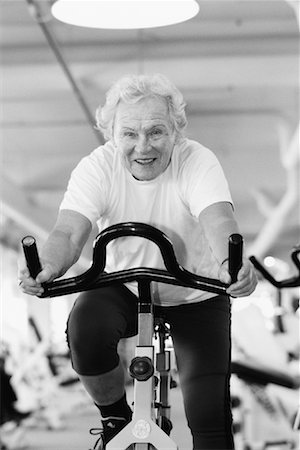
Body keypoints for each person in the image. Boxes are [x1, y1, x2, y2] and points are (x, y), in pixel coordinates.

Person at [19, 73, 257, 449]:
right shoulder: (97, 167)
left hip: (197, 293)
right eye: (129, 134)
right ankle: (115, 418)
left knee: (209, 415)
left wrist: (231, 264)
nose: (142, 146)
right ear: (111, 134)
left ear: (176, 131)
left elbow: (219, 220)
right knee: (85, 331)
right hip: (126, 285)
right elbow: (68, 232)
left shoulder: (197, 161)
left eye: (156, 132)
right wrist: (47, 266)